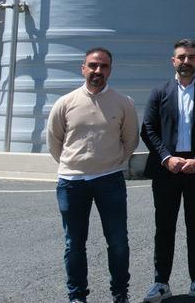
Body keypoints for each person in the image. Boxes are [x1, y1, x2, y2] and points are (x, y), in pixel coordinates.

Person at [48, 47, 139, 303]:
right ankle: (77, 296)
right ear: (83, 68)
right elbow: (54, 141)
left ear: (110, 69)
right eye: (93, 65)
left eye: (104, 66)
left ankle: (120, 294)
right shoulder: (65, 103)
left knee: (118, 242)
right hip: (71, 183)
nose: (98, 71)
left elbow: (130, 139)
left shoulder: (123, 102)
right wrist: (74, 165)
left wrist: (111, 162)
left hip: (109, 180)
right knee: (74, 244)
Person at [140, 39, 195, 303]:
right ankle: (161, 283)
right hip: (167, 170)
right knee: (164, 227)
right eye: (181, 57)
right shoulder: (159, 92)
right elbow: (148, 129)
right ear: (173, 61)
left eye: (191, 57)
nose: (186, 61)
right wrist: (166, 158)